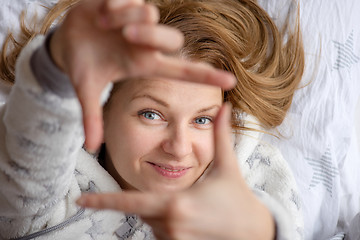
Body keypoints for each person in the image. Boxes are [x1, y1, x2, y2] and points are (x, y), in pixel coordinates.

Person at [0, 0, 304, 239]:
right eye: (151, 114)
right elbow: (29, 154)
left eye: (202, 120)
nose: (179, 148)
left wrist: (263, 230)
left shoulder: (253, 174)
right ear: (102, 112)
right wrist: (58, 69)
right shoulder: (51, 193)